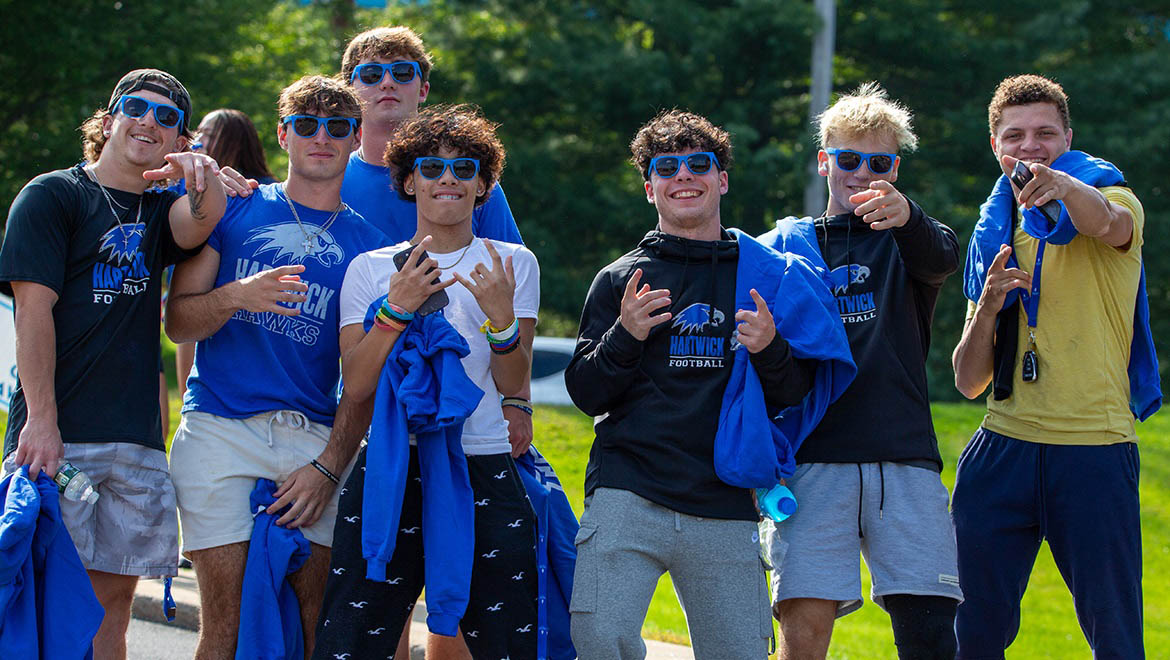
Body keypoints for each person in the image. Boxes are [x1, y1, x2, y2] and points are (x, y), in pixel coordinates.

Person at [564, 110, 854, 660]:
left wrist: (770, 348)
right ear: (650, 188)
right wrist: (625, 335)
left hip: (725, 498)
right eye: (666, 167)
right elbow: (585, 392)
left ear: (721, 179)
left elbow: (795, 395)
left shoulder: (769, 274)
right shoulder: (621, 278)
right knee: (599, 639)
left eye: (700, 163)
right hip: (629, 488)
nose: (684, 175)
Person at [0, 68, 227, 660]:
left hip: (136, 444)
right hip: (59, 437)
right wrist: (42, 422)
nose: (148, 121)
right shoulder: (54, 194)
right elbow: (33, 311)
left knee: (111, 613)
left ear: (180, 140)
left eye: (167, 117)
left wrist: (202, 177)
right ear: (109, 119)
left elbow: (200, 220)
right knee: (43, 602)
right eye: (135, 107)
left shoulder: (160, 213)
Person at [164, 75, 387, 659]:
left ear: (356, 137)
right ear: (283, 134)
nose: (322, 138)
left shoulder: (371, 248)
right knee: (227, 627)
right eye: (307, 125)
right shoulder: (234, 207)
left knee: (320, 629)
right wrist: (238, 295)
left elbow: (363, 379)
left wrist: (330, 467)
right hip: (219, 427)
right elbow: (178, 322)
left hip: (314, 439)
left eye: (338, 128)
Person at [312, 104, 541, 660]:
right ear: (409, 180)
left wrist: (502, 318)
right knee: (351, 641)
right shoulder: (371, 268)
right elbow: (357, 382)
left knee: (503, 642)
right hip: (391, 467)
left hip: (481, 462)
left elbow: (515, 382)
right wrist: (397, 307)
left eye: (464, 169)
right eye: (432, 168)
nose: (448, 180)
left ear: (483, 183)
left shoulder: (512, 263)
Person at [952, 74, 1158, 658]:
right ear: (996, 148)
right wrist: (988, 306)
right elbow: (968, 382)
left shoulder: (1110, 196)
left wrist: (1062, 185)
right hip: (1002, 448)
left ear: (1068, 137)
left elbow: (1105, 224)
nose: (1030, 146)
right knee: (973, 635)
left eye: (1045, 133)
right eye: (1014, 136)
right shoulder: (993, 232)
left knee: (1115, 635)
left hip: (1094, 448)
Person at [759, 83, 962, 660]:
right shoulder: (781, 247)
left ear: (895, 168)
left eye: (880, 162)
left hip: (905, 457)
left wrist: (907, 216)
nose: (862, 173)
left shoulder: (911, 237)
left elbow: (943, 257)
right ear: (824, 161)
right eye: (848, 159)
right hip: (813, 459)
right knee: (803, 640)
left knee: (929, 636)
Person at [176, 107, 279, 401]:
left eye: (205, 138)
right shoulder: (194, 195)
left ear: (232, 142)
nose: (196, 146)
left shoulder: (261, 197)